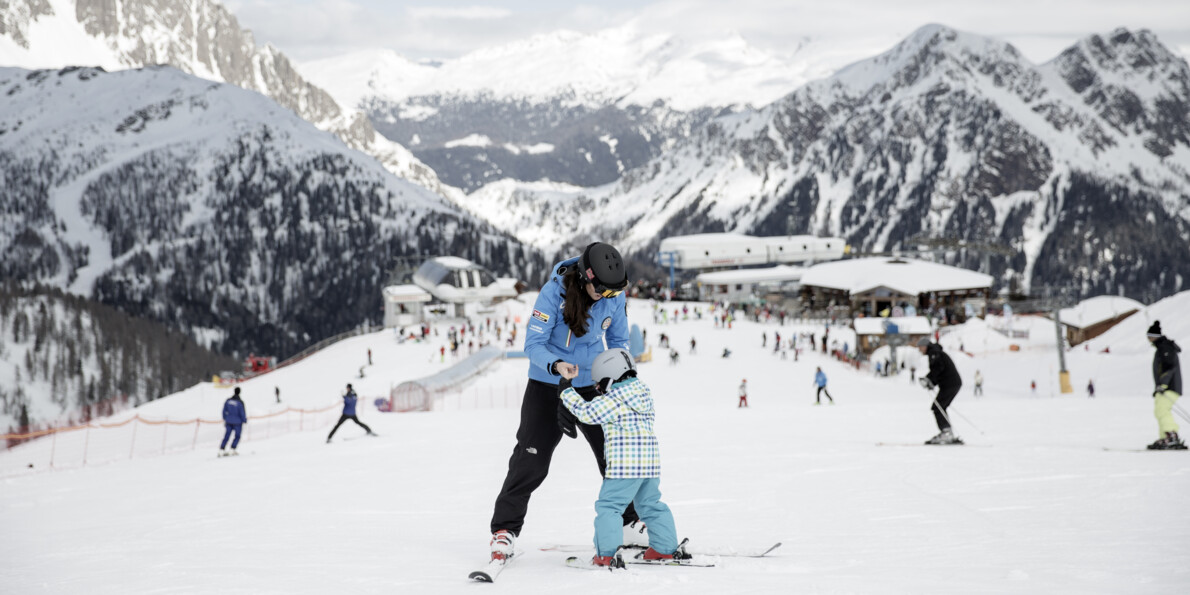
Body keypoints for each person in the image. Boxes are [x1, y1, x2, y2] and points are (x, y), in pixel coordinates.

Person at [488, 242, 640, 564]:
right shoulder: (552, 294)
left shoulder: (613, 295)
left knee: (614, 455)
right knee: (531, 460)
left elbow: (619, 340)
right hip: (548, 385)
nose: (610, 298)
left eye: (615, 293)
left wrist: (619, 373)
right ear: (587, 279)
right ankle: (505, 531)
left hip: (592, 385)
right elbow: (534, 343)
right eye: (604, 292)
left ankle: (629, 522)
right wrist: (557, 366)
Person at [557, 349, 685, 568]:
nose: (598, 389)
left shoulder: (615, 399)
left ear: (610, 376)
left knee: (609, 507)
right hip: (650, 464)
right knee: (651, 504)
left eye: (600, 383)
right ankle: (664, 548)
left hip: (624, 466)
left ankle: (606, 554)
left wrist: (566, 391)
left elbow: (586, 412)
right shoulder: (643, 392)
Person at [1146, 321, 1185, 450]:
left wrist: (1163, 384)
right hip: (1165, 387)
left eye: (1149, 336)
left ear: (1154, 336)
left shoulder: (1165, 348)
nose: (1148, 339)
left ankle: (1171, 436)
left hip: (1169, 386)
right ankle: (1166, 437)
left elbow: (1169, 367)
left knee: (1162, 410)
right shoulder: (1162, 347)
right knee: (1160, 411)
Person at [918, 338, 963, 445]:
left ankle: (946, 433)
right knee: (939, 406)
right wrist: (930, 381)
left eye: (920, 348)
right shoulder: (935, 352)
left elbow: (938, 369)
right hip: (951, 384)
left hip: (950, 384)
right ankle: (947, 432)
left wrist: (930, 381)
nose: (920, 350)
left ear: (925, 346)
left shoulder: (934, 353)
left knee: (938, 407)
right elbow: (937, 370)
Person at [219, 387, 247, 456]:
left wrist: (225, 418)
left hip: (229, 421)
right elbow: (242, 412)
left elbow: (224, 410)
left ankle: (222, 449)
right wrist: (244, 420)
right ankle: (232, 449)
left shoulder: (228, 401)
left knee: (227, 435)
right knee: (237, 436)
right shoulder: (240, 402)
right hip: (237, 422)